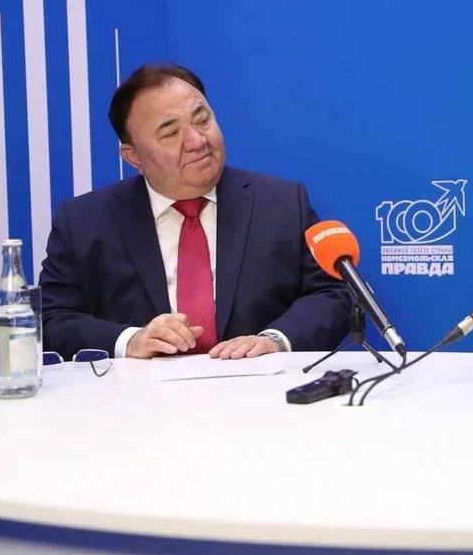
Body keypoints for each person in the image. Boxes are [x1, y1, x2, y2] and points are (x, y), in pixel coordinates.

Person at [40, 63, 351, 360]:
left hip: (261, 388)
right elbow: (51, 318)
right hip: (137, 393)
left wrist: (274, 341)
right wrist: (131, 341)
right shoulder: (85, 222)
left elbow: (330, 295)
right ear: (133, 156)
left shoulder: (280, 203)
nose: (197, 141)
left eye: (203, 120)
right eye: (170, 133)